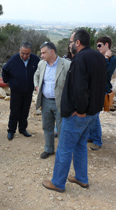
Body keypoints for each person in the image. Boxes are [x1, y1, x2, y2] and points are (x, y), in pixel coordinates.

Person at [42, 29, 106, 192]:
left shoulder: (79, 58)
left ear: (77, 43)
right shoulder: (98, 56)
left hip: (80, 114)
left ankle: (57, 182)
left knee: (64, 148)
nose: (70, 45)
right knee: (79, 146)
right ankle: (81, 178)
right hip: (93, 113)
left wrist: (80, 110)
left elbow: (80, 88)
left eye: (71, 42)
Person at [34, 42, 71, 159]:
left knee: (62, 129)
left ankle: (62, 152)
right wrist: (36, 86)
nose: (42, 55)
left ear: (52, 51)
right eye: (41, 53)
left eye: (44, 53)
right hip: (45, 101)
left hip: (60, 102)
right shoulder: (41, 64)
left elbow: (72, 84)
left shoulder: (67, 64)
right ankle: (49, 149)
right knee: (47, 127)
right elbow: (36, 75)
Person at [2, 41, 40, 141]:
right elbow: (5, 70)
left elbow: (40, 72)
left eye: (27, 54)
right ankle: (11, 130)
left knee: (25, 111)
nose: (24, 55)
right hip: (16, 90)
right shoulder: (14, 59)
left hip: (28, 91)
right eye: (23, 53)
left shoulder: (35, 59)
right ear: (19, 50)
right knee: (14, 111)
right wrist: (7, 82)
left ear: (30, 52)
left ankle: (22, 129)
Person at [87, 36, 116, 151]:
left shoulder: (113, 59)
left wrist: (106, 58)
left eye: (100, 45)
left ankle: (97, 141)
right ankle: (90, 136)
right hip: (94, 89)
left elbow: (102, 71)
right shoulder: (101, 57)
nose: (97, 48)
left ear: (106, 45)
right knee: (91, 114)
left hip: (102, 90)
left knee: (95, 116)